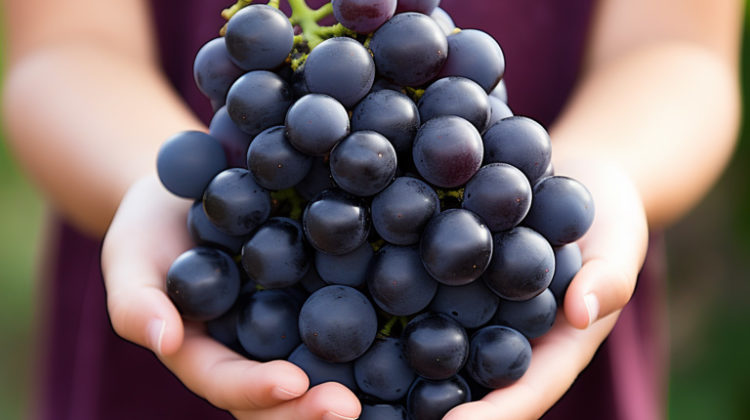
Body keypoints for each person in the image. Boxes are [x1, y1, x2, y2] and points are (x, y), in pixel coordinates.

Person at [1, 0, 741, 419]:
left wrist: (607, 169)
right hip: (206, 319)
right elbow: (62, 49)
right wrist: (161, 186)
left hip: (521, 327)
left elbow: (680, 50)